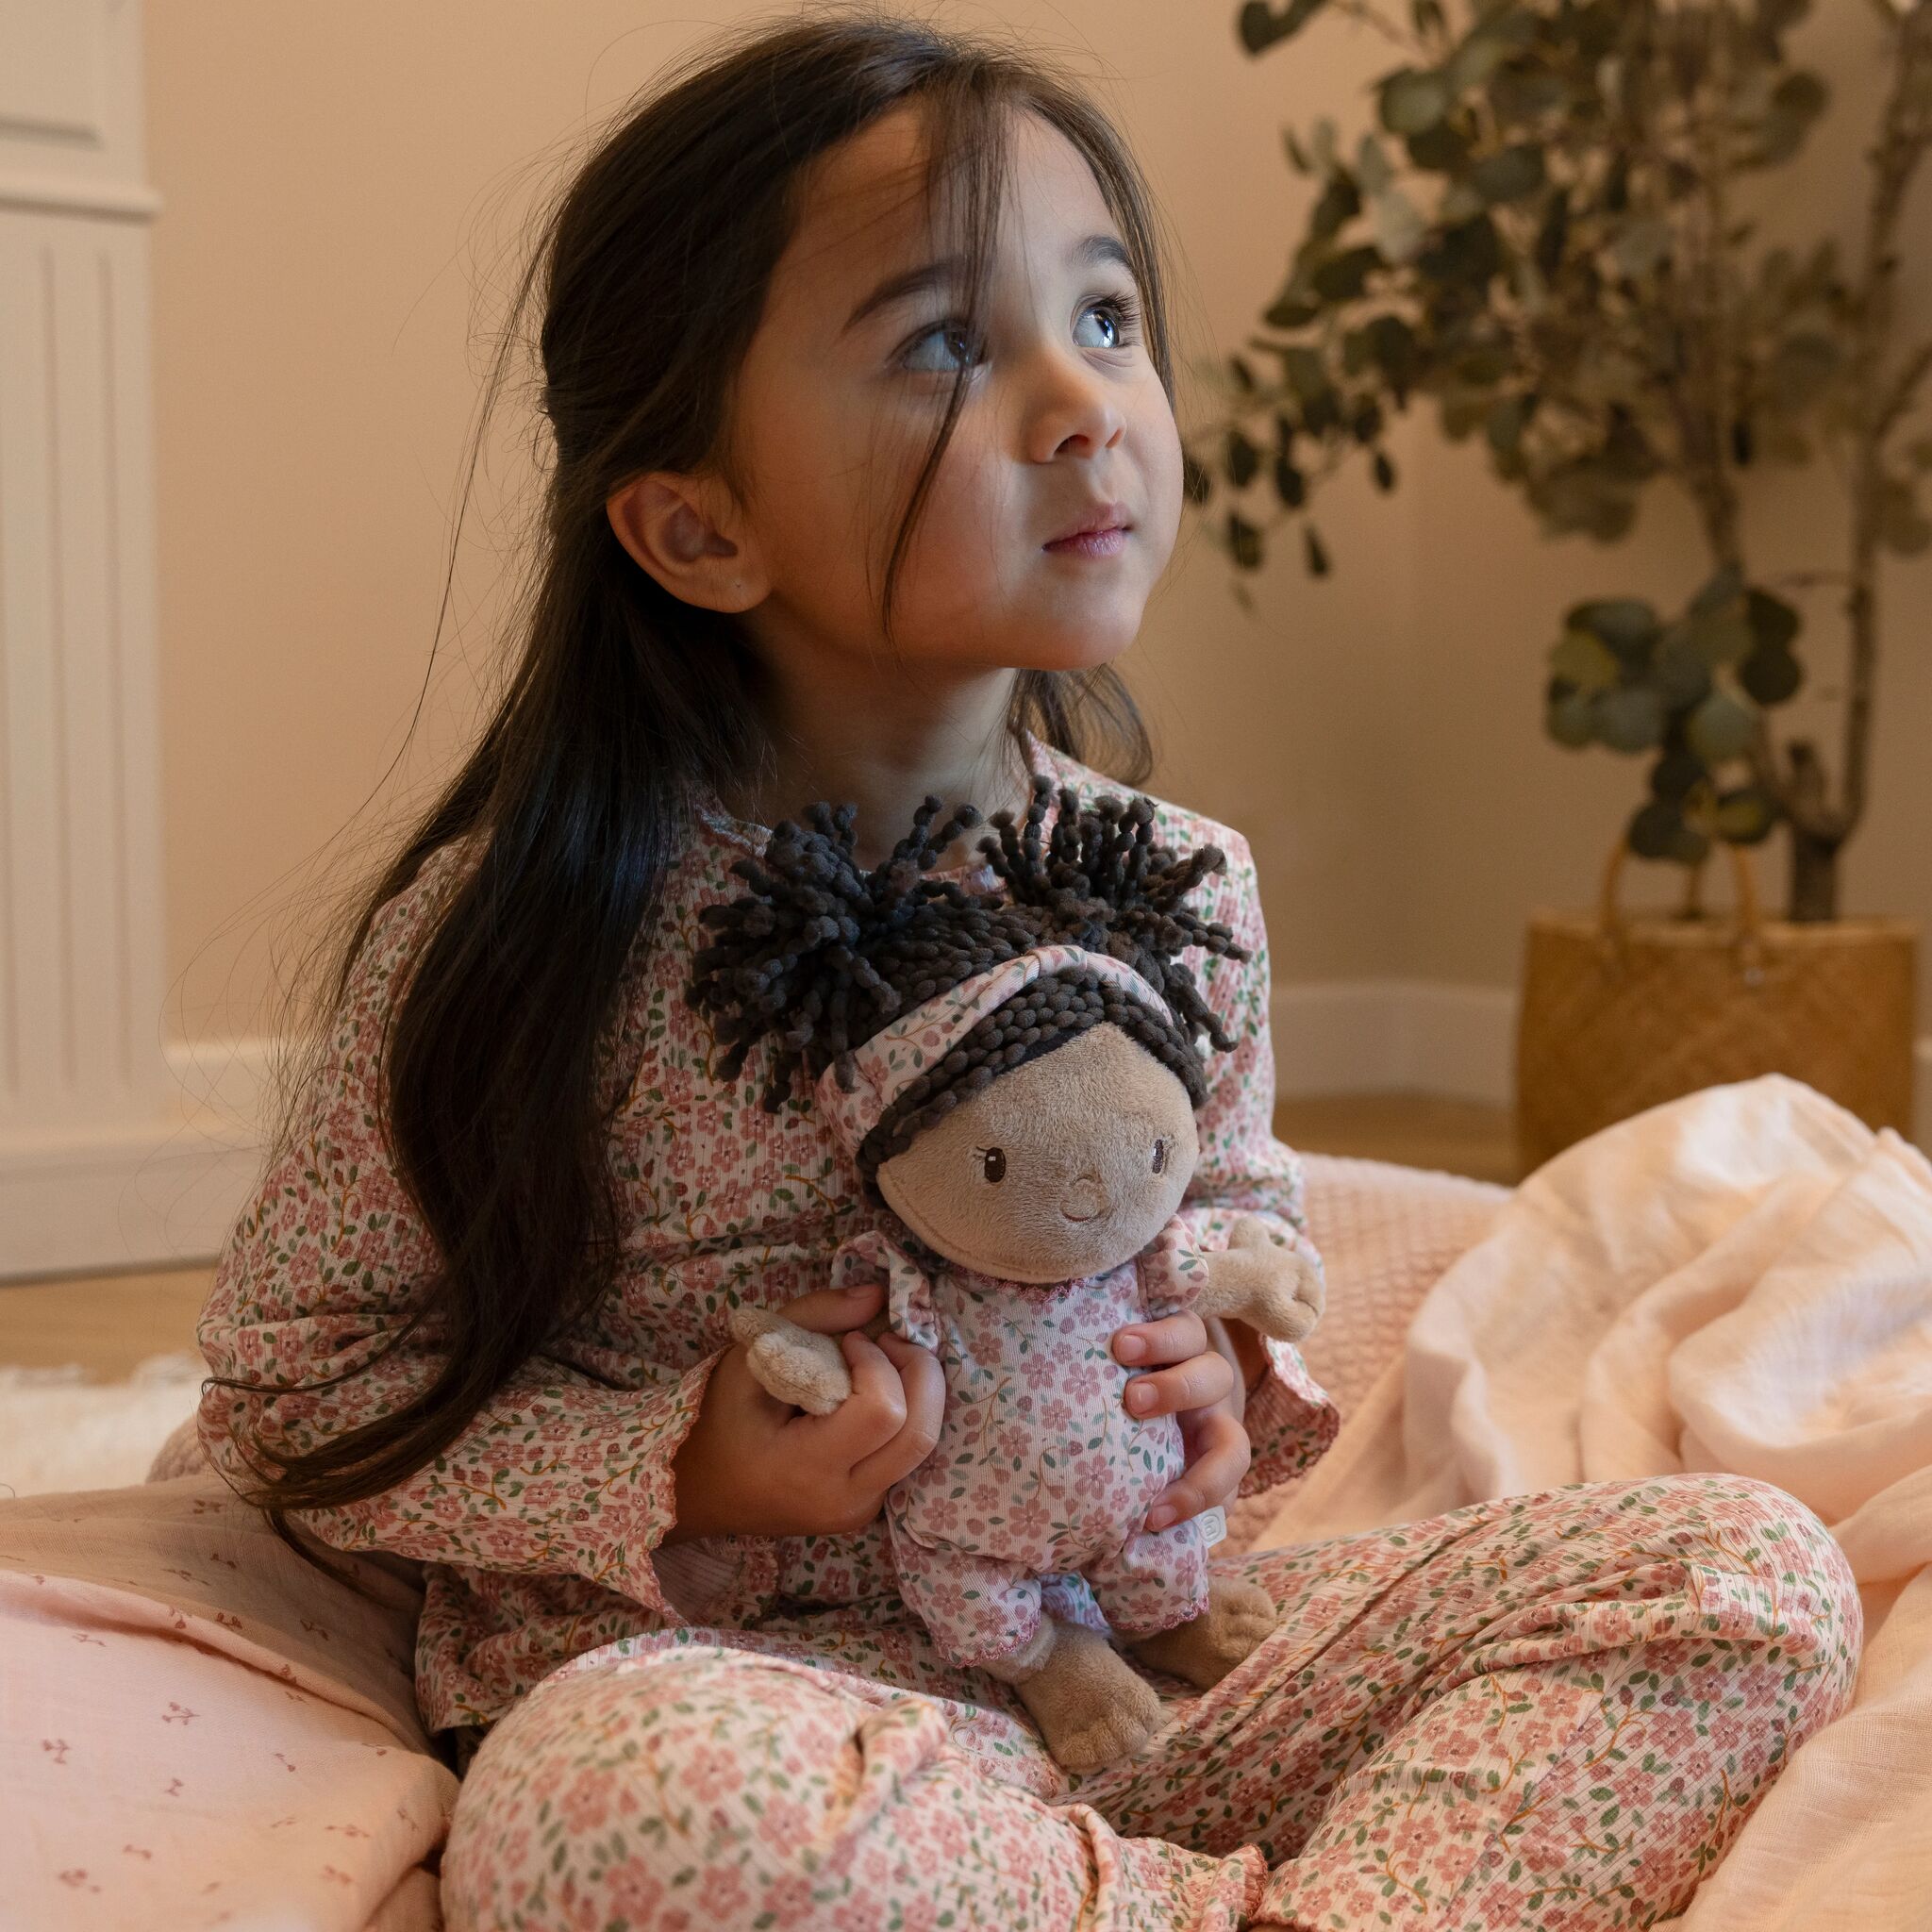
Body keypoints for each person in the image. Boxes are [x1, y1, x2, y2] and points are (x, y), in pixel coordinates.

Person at [195, 13, 1863, 1928]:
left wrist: (1229, 1362)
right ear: (698, 523)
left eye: (1107, 315)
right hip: (745, 1707)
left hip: (1139, 1678)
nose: (1085, 402)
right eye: (943, 344)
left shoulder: (1181, 886)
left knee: (1746, 1572)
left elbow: (1228, 1207)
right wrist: (680, 1468)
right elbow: (290, 1397)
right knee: (614, 1808)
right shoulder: (522, 935)